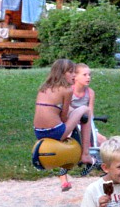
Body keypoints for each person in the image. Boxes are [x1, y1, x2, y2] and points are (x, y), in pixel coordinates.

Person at [33, 59, 94, 192]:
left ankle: (67, 172)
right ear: (62, 73)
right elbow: (64, 117)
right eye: (70, 72)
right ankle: (85, 154)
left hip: (38, 132)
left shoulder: (43, 88)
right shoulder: (67, 90)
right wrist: (76, 118)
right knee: (86, 110)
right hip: (56, 132)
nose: (73, 75)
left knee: (77, 111)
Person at [71, 63, 106, 146]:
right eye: (84, 75)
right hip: (71, 124)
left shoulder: (90, 92)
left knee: (102, 140)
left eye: (89, 75)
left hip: (85, 123)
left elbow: (90, 112)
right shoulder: (69, 91)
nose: (88, 77)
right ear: (75, 77)